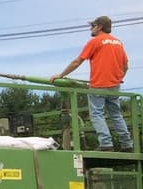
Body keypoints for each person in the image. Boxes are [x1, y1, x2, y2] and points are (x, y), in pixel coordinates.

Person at [50, 15, 132, 151]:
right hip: (114, 86)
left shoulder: (95, 42)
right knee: (116, 114)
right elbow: (125, 66)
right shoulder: (118, 42)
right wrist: (118, 78)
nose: (91, 29)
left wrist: (61, 75)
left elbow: (78, 61)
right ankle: (127, 144)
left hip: (98, 85)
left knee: (96, 114)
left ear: (99, 27)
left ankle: (106, 144)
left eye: (92, 26)